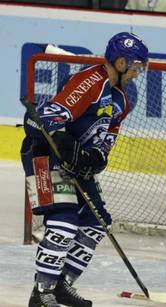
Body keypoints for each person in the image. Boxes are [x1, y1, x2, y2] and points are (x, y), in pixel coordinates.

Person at [21, 32, 148, 307]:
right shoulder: (90, 81)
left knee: (97, 222)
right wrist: (62, 141)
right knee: (65, 223)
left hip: (76, 166)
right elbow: (37, 122)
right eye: (136, 66)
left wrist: (96, 158)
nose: (138, 73)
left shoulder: (121, 100)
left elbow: (106, 141)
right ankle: (41, 294)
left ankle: (60, 286)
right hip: (44, 157)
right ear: (122, 62)